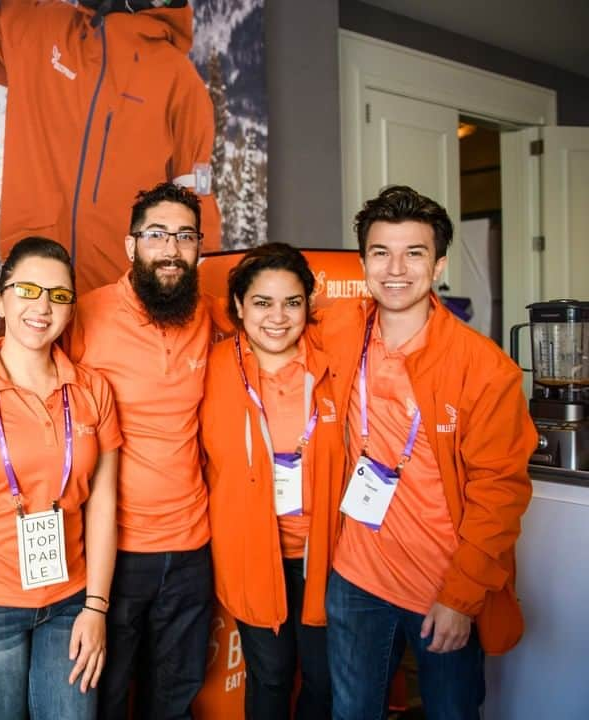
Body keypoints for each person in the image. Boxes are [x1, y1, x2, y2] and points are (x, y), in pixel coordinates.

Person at [318, 186, 536, 719]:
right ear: (364, 261)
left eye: (413, 253)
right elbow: (262, 321)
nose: (396, 268)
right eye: (380, 252)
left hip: (443, 586)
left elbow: (499, 494)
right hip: (354, 578)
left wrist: (461, 597)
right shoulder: (338, 330)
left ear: (437, 265)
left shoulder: (484, 368)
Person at [0, 237, 121, 719]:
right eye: (27, 289)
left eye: (58, 295)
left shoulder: (94, 390)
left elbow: (102, 503)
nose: (42, 306)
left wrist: (96, 607)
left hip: (70, 599)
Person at [65, 181, 229, 719]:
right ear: (132, 246)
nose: (171, 249)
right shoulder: (86, 316)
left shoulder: (209, 316)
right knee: (104, 701)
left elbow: (283, 333)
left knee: (173, 703)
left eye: (185, 236)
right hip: (109, 552)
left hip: (190, 550)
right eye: (157, 235)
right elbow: (24, 367)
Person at [0, 0, 222, 293]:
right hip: (33, 295)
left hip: (124, 310)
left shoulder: (178, 80)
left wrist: (205, 308)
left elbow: (194, 206)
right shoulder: (40, 29)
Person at [201, 243, 342, 720]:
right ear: (239, 307)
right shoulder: (213, 371)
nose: (278, 317)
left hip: (329, 554)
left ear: (309, 305)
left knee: (325, 679)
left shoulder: (334, 367)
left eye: (292, 302)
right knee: (272, 675)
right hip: (251, 552)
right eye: (262, 302)